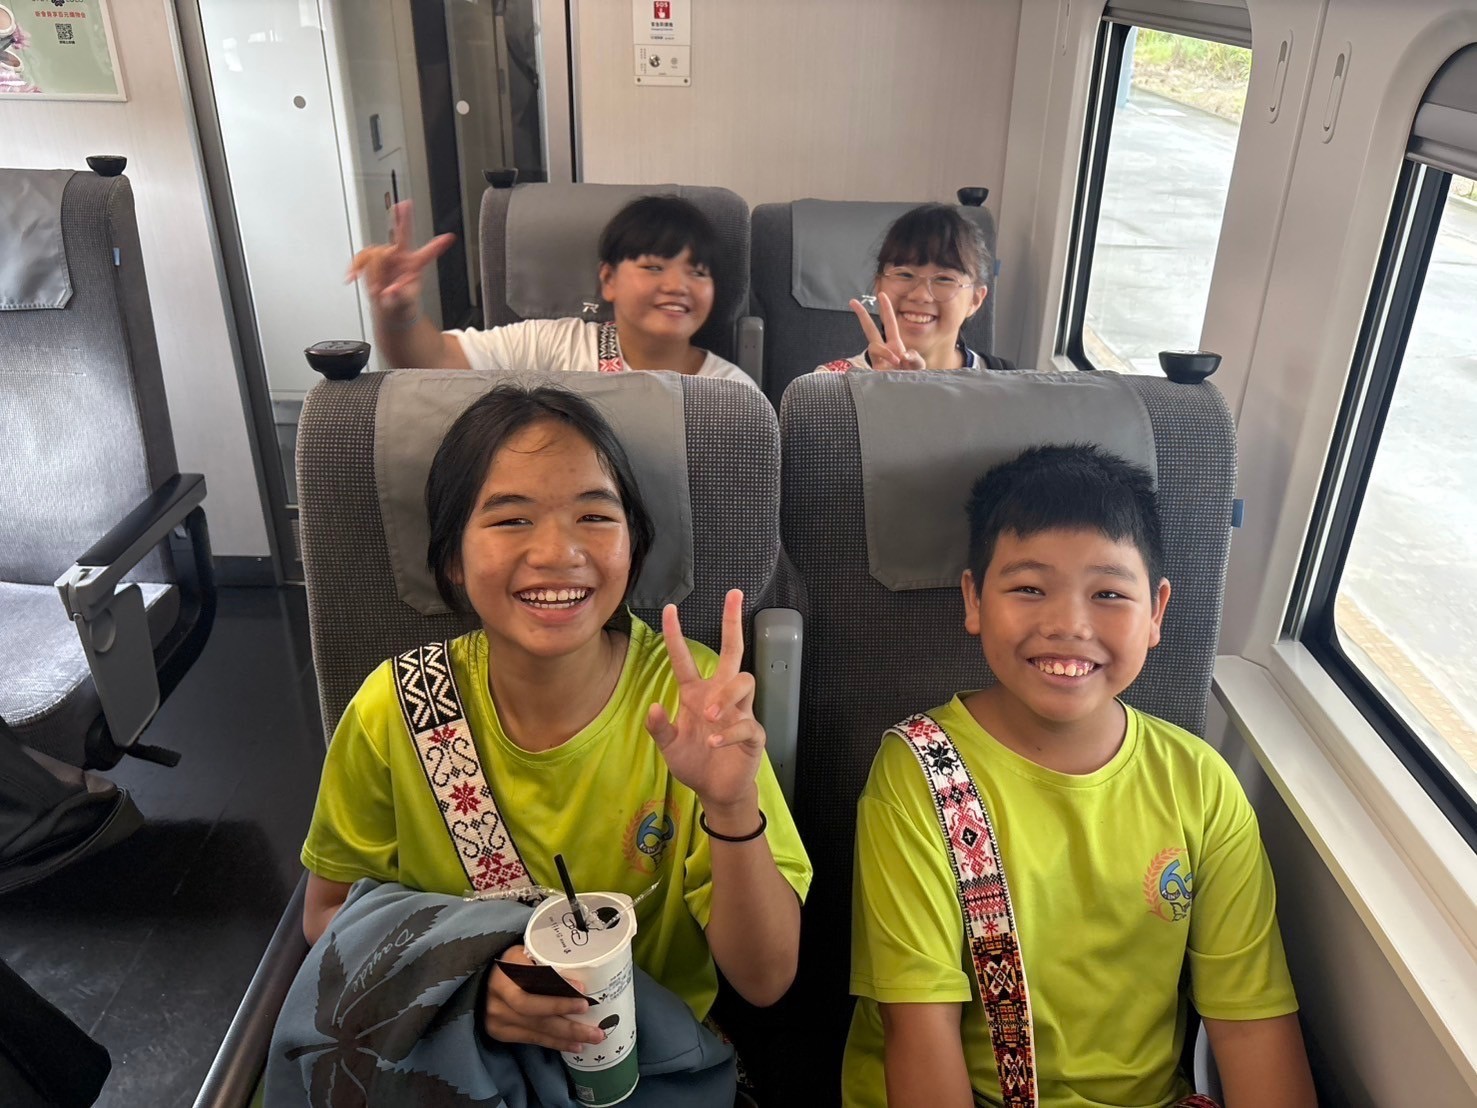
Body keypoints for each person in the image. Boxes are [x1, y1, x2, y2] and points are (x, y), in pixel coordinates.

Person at [299, 383, 809, 1056]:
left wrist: (731, 803)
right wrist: (467, 983)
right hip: (453, 1052)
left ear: (633, 547)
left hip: (646, 1061)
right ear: (452, 558)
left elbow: (765, 980)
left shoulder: (692, 705)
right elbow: (326, 915)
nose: (556, 552)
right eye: (511, 520)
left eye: (594, 516)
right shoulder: (394, 710)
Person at [843, 445, 1316, 1108]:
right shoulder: (919, 775)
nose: (1068, 624)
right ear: (973, 599)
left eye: (1108, 594)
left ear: (1156, 611)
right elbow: (918, 1030)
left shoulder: (1200, 783)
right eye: (1028, 589)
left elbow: (1250, 1027)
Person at [347, 195, 756, 386]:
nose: (677, 286)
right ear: (608, 280)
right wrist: (399, 314)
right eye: (653, 266)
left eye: (697, 272)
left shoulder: (730, 391)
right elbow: (436, 360)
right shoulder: (556, 347)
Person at [815, 203, 992, 375]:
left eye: (944, 279)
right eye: (905, 274)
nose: (920, 295)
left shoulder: (1002, 382)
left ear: (975, 299)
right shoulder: (830, 383)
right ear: (878, 286)